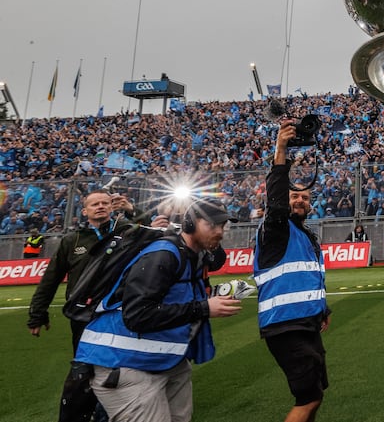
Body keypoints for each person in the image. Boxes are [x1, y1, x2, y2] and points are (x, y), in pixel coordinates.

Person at [74, 197, 241, 422]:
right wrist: (203, 308)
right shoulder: (163, 254)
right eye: (212, 224)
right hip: (123, 362)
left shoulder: (193, 254)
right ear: (190, 223)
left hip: (163, 361)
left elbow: (216, 261)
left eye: (223, 225)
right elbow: (138, 315)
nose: (220, 231)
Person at [27, 190, 169, 422]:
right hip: (83, 315)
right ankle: (85, 413)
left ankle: (112, 412)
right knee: (85, 368)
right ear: (85, 211)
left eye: (105, 203)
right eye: (94, 204)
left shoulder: (125, 232)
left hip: (117, 312)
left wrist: (134, 210)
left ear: (112, 208)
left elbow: (153, 232)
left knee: (119, 367)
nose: (100, 206)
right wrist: (37, 314)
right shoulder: (73, 240)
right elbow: (50, 279)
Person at [254, 120, 331, 422]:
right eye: (294, 196)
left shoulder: (305, 233)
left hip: (305, 323)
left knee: (314, 395)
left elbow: (308, 278)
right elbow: (275, 199)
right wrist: (281, 148)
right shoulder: (277, 228)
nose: (301, 200)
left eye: (305, 197)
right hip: (286, 326)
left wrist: (323, 309)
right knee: (308, 399)